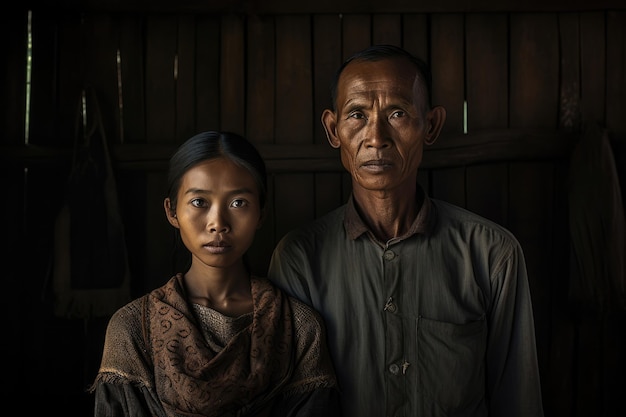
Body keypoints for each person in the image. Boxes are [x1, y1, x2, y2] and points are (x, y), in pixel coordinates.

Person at [267, 45, 545, 417]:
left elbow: (518, 402)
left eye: (397, 113)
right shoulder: (300, 259)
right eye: (357, 115)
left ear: (430, 125)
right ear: (334, 130)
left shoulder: (492, 253)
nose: (376, 137)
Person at [90, 131, 340, 417]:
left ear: (261, 212)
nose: (218, 223)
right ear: (172, 212)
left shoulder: (299, 327)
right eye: (199, 202)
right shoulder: (132, 328)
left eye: (238, 203)